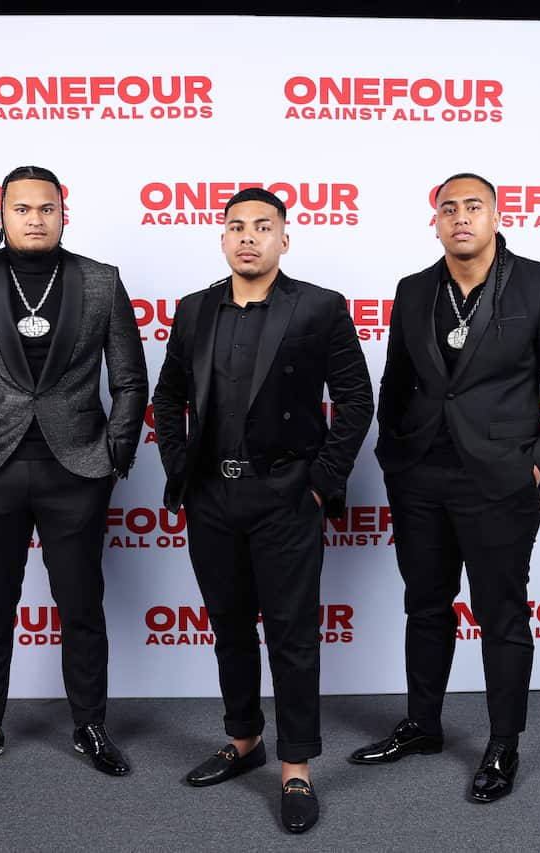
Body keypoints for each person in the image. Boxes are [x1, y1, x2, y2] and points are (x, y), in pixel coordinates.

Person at [350, 173, 540, 803]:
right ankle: (422, 725)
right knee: (425, 604)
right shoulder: (413, 289)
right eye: (449, 209)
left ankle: (503, 743)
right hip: (419, 475)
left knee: (501, 614)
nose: (461, 217)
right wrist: (393, 453)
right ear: (435, 222)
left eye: (474, 207)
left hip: (500, 479)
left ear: (496, 216)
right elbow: (396, 380)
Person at [0, 165, 148, 784]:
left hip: (77, 469)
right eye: (22, 209)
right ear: (1, 213)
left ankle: (90, 726)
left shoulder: (100, 281)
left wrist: (114, 456)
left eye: (47, 208)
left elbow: (130, 379)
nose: (36, 219)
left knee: (82, 608)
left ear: (63, 214)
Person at [152, 187, 374, 833]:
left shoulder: (319, 306)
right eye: (236, 226)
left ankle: (295, 766)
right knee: (228, 625)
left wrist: (319, 483)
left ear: (284, 238)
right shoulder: (194, 309)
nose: (248, 236)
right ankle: (243, 738)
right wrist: (180, 468)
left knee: (292, 633)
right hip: (211, 496)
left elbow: (356, 400)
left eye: (262, 226)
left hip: (286, 494)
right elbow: (167, 397)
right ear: (223, 238)